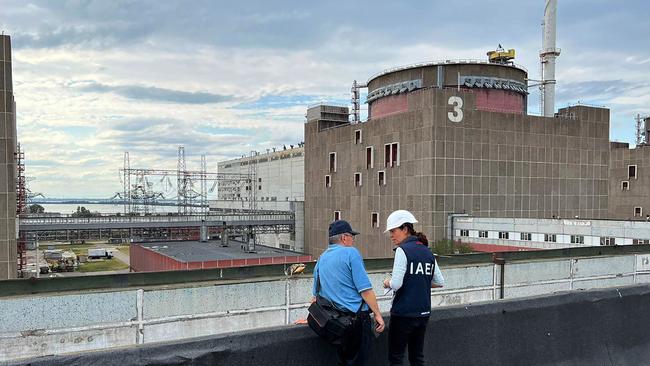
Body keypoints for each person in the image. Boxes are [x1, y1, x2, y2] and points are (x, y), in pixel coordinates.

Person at [312, 220, 385, 365]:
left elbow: (315, 296)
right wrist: (377, 314)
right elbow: (365, 290)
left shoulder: (321, 259)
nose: (353, 240)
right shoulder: (351, 253)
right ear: (344, 238)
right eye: (352, 237)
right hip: (356, 322)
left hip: (334, 325)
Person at [382, 210, 444, 366]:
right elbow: (440, 281)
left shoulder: (403, 250)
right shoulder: (427, 251)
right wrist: (418, 280)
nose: (391, 235)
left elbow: (396, 284)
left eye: (393, 231)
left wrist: (387, 282)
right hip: (423, 312)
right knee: (417, 357)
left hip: (403, 313)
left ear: (405, 229)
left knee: (396, 358)